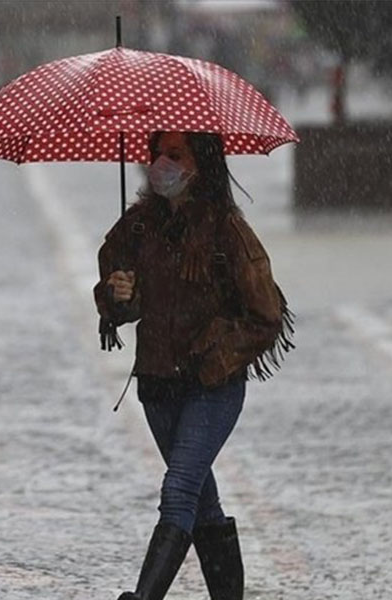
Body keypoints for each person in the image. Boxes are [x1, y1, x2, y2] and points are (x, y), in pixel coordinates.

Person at [94, 131, 294, 600]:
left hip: (212, 388)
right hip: (158, 387)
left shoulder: (228, 231)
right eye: (156, 153)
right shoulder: (138, 227)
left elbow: (266, 315)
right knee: (202, 502)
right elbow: (118, 297)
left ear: (199, 164)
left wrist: (216, 350)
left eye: (174, 155)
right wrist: (116, 295)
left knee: (180, 487)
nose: (160, 163)